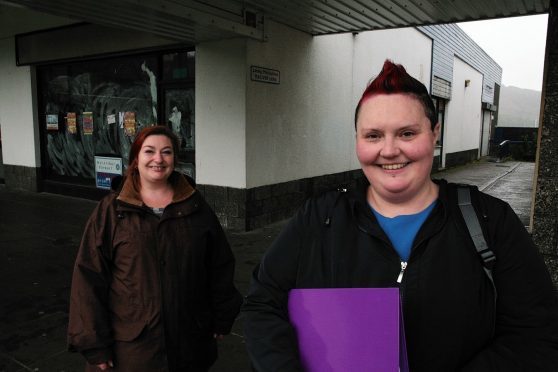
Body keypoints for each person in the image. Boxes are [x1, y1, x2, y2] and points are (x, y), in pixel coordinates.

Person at [242, 60, 558, 371]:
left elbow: (535, 334)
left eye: (407, 133)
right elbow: (263, 303)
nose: (389, 150)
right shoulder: (318, 218)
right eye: (373, 135)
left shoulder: (490, 221)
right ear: (357, 140)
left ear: (435, 133)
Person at [68, 125, 242, 371]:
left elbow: (219, 265)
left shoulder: (195, 206)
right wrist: (93, 343)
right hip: (132, 348)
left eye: (167, 152)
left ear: (175, 159)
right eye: (149, 151)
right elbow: (88, 277)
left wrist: (222, 316)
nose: (158, 159)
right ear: (136, 158)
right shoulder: (111, 210)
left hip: (190, 340)